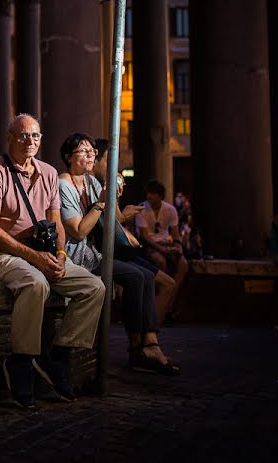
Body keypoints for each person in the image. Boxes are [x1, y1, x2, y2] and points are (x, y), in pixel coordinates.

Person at [0, 114, 105, 408]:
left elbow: (56, 223)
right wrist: (35, 257)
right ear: (9, 138)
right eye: (23, 135)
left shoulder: (48, 173)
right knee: (37, 285)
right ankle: (21, 360)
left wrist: (60, 256)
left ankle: (57, 356)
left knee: (94, 287)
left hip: (44, 253)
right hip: (3, 252)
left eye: (35, 136)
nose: (30, 141)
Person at [59, 134, 179, 376]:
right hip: (78, 256)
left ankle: (148, 344)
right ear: (68, 158)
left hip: (98, 253)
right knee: (135, 276)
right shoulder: (63, 185)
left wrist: (114, 196)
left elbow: (108, 221)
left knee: (144, 276)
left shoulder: (91, 183)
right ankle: (137, 348)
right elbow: (80, 231)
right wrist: (102, 202)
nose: (91, 155)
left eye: (92, 151)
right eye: (84, 152)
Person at [92, 139, 177, 325]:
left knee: (169, 279)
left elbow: (115, 219)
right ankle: (145, 338)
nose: (112, 166)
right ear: (95, 160)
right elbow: (109, 222)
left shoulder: (169, 209)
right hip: (107, 253)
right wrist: (123, 215)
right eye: (108, 160)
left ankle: (151, 336)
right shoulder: (95, 187)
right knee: (146, 277)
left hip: (121, 250)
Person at [135, 179, 189, 315]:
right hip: (150, 245)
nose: (149, 196)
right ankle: (157, 302)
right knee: (160, 261)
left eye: (152, 193)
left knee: (183, 264)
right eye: (148, 193)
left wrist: (178, 247)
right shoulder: (142, 209)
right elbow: (145, 237)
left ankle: (170, 301)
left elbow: (175, 234)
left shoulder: (170, 210)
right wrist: (162, 249)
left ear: (160, 196)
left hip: (166, 244)